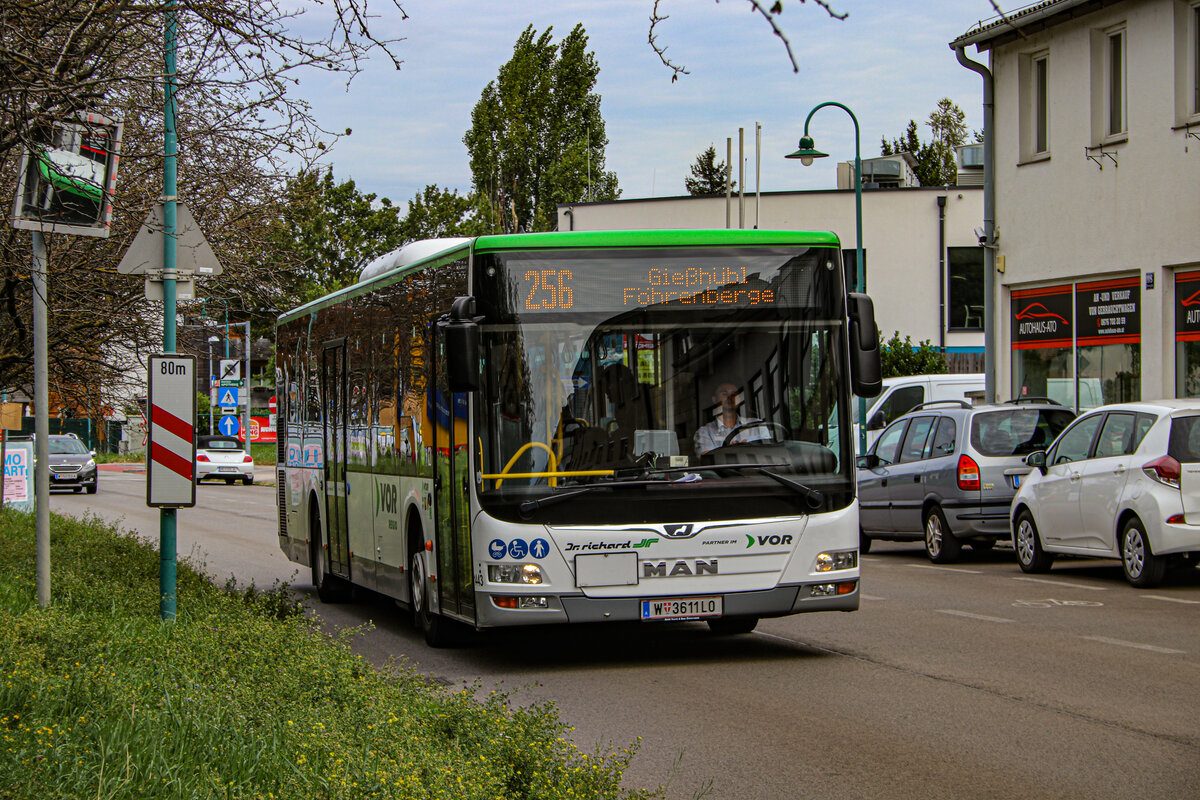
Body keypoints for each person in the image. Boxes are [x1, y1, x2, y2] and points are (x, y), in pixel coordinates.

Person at [693, 382, 770, 456]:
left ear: (739, 399)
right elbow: (708, 460)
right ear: (715, 399)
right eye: (724, 394)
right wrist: (730, 451)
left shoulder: (757, 425)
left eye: (734, 394)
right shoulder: (704, 433)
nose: (730, 397)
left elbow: (769, 454)